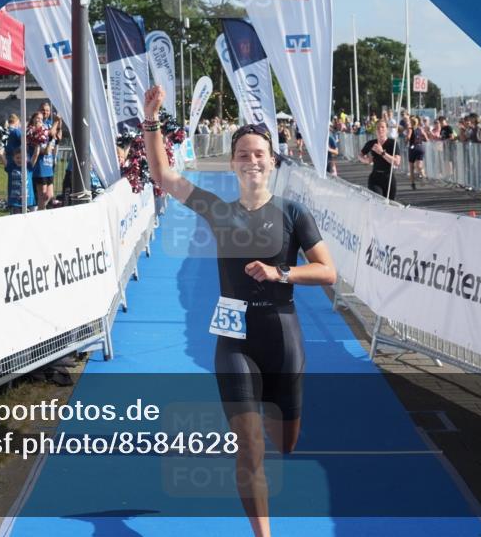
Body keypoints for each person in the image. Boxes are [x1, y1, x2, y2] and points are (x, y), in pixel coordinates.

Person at [141, 85, 336, 537]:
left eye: (259, 155)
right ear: (232, 164)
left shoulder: (293, 213)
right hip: (233, 339)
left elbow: (327, 272)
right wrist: (151, 119)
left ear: (273, 161)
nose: (251, 161)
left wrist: (279, 273)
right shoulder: (217, 210)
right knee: (249, 448)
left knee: (283, 443)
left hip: (282, 336)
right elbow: (164, 175)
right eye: (243, 155)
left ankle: (276, 419)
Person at [359, 120, 401, 200]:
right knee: (379, 200)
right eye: (378, 127)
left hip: (389, 178)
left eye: (382, 127)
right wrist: (366, 160)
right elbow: (360, 155)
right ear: (375, 130)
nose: (380, 129)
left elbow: (397, 162)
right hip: (375, 178)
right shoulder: (371, 143)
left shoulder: (393, 143)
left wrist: (382, 152)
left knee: (390, 205)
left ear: (387, 129)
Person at [32, 103, 62, 210]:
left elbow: (58, 137)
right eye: (43, 110)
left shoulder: (50, 123)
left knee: (49, 195)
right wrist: (56, 121)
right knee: (43, 196)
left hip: (49, 165)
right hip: (40, 166)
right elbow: (50, 134)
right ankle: (39, 215)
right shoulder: (38, 125)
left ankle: (40, 211)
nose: (46, 112)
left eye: (48, 110)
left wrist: (60, 122)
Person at [406, 116, 426, 189]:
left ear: (411, 122)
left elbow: (408, 137)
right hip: (420, 147)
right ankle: (423, 175)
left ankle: (413, 184)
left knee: (411, 167)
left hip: (413, 148)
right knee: (419, 165)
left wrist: (406, 141)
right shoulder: (420, 129)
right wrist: (420, 138)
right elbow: (426, 138)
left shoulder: (410, 129)